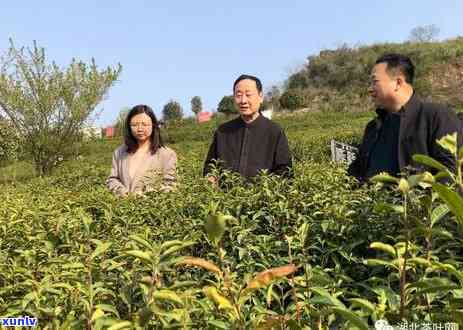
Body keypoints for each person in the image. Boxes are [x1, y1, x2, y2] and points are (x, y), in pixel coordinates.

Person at [348, 53, 463, 182]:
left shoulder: (436, 116)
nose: (370, 89)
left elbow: (451, 173)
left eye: (375, 82)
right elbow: (355, 173)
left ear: (398, 82)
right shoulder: (373, 127)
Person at [203, 74, 292, 183]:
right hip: (225, 198)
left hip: (263, 198)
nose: (243, 100)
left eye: (248, 94)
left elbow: (285, 172)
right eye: (238, 95)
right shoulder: (223, 132)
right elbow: (210, 166)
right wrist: (210, 177)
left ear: (260, 97)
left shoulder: (274, 131)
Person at [107, 104, 177, 196]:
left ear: (153, 125)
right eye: (134, 125)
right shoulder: (119, 152)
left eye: (144, 124)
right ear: (129, 127)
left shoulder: (167, 154)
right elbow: (112, 179)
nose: (140, 129)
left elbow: (170, 184)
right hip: (123, 208)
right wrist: (121, 192)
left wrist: (148, 196)